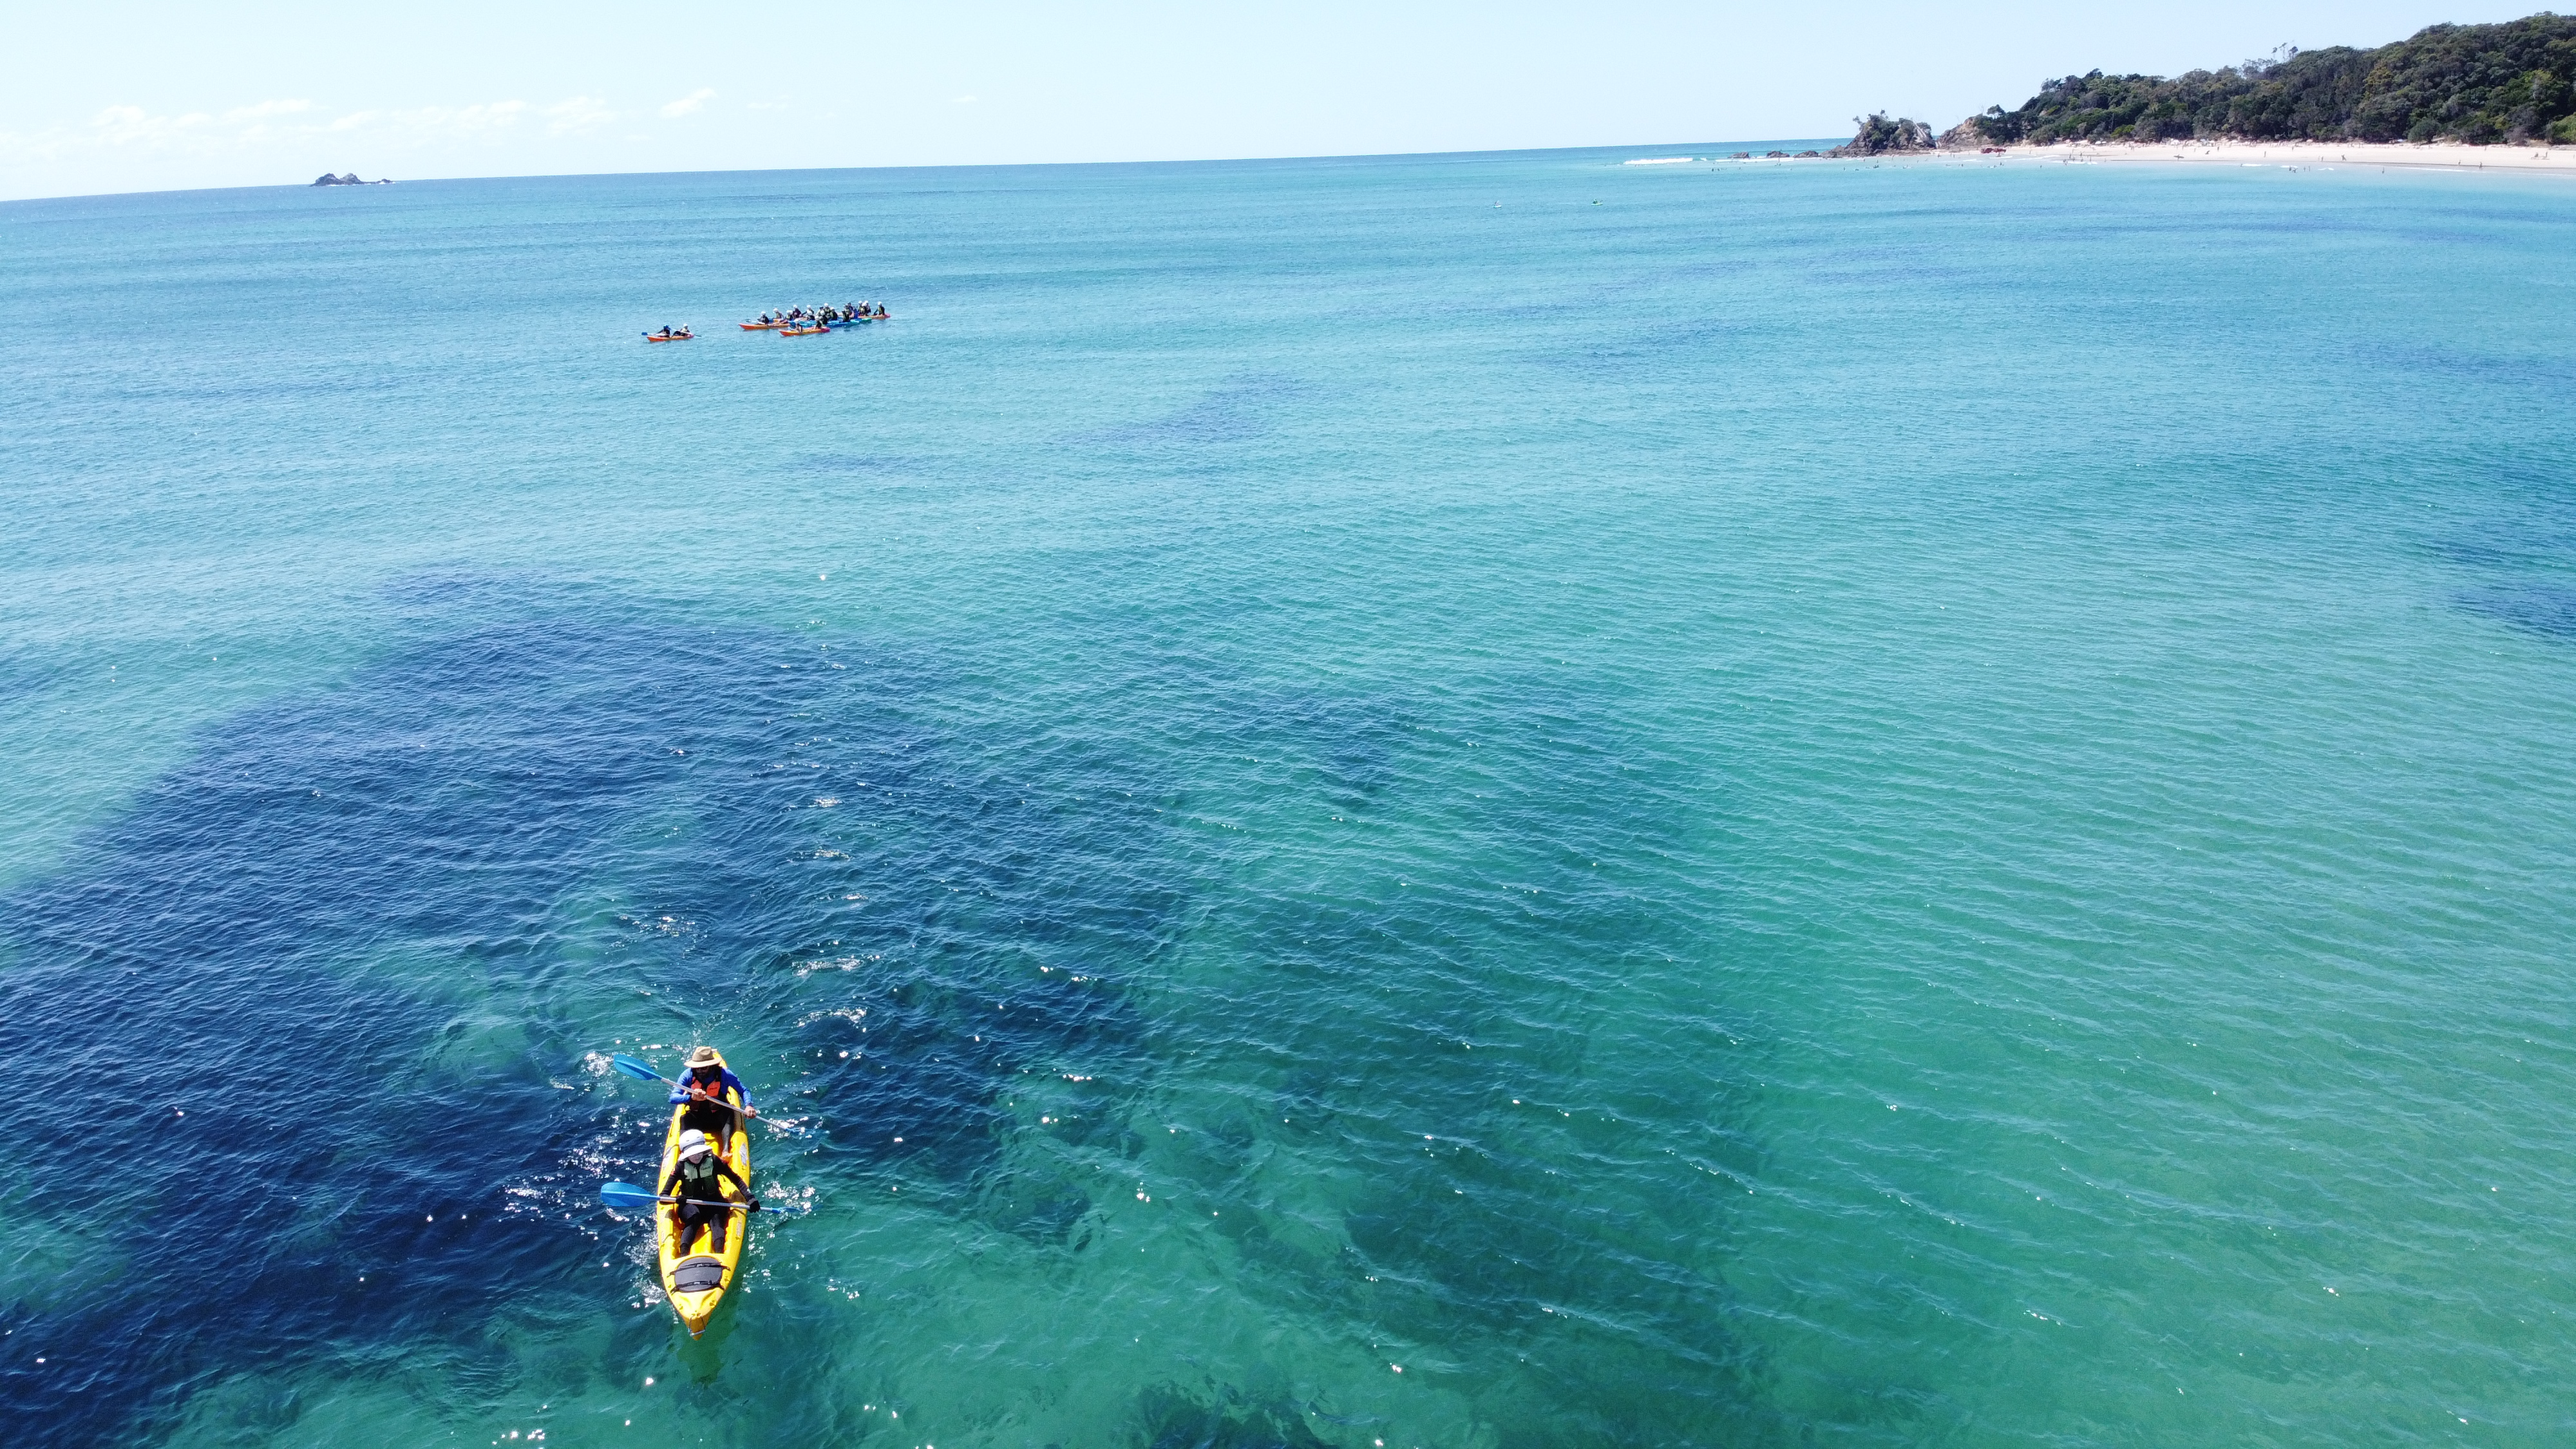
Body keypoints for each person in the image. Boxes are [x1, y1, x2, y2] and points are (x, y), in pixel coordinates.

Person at [659, 1128, 755, 1256]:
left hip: (714, 1201)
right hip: (689, 1204)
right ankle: (683, 1255)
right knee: (694, 1217)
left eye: (699, 1153)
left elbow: (736, 1179)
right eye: (693, 1155)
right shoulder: (680, 1167)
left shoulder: (714, 1161)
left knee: (716, 1218)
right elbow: (663, 1197)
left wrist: (750, 1198)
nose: (697, 1156)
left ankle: (721, 1255)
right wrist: (678, 1199)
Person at [669, 1045, 756, 1152]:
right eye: (697, 1068)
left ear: (712, 1066)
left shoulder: (725, 1074)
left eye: (704, 1068)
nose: (700, 1071)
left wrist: (749, 1105)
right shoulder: (688, 1075)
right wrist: (691, 1098)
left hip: (719, 1117)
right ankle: (685, 1153)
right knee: (685, 1119)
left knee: (728, 1113)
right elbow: (673, 1098)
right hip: (697, 1118)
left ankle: (726, 1151)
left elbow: (744, 1091)